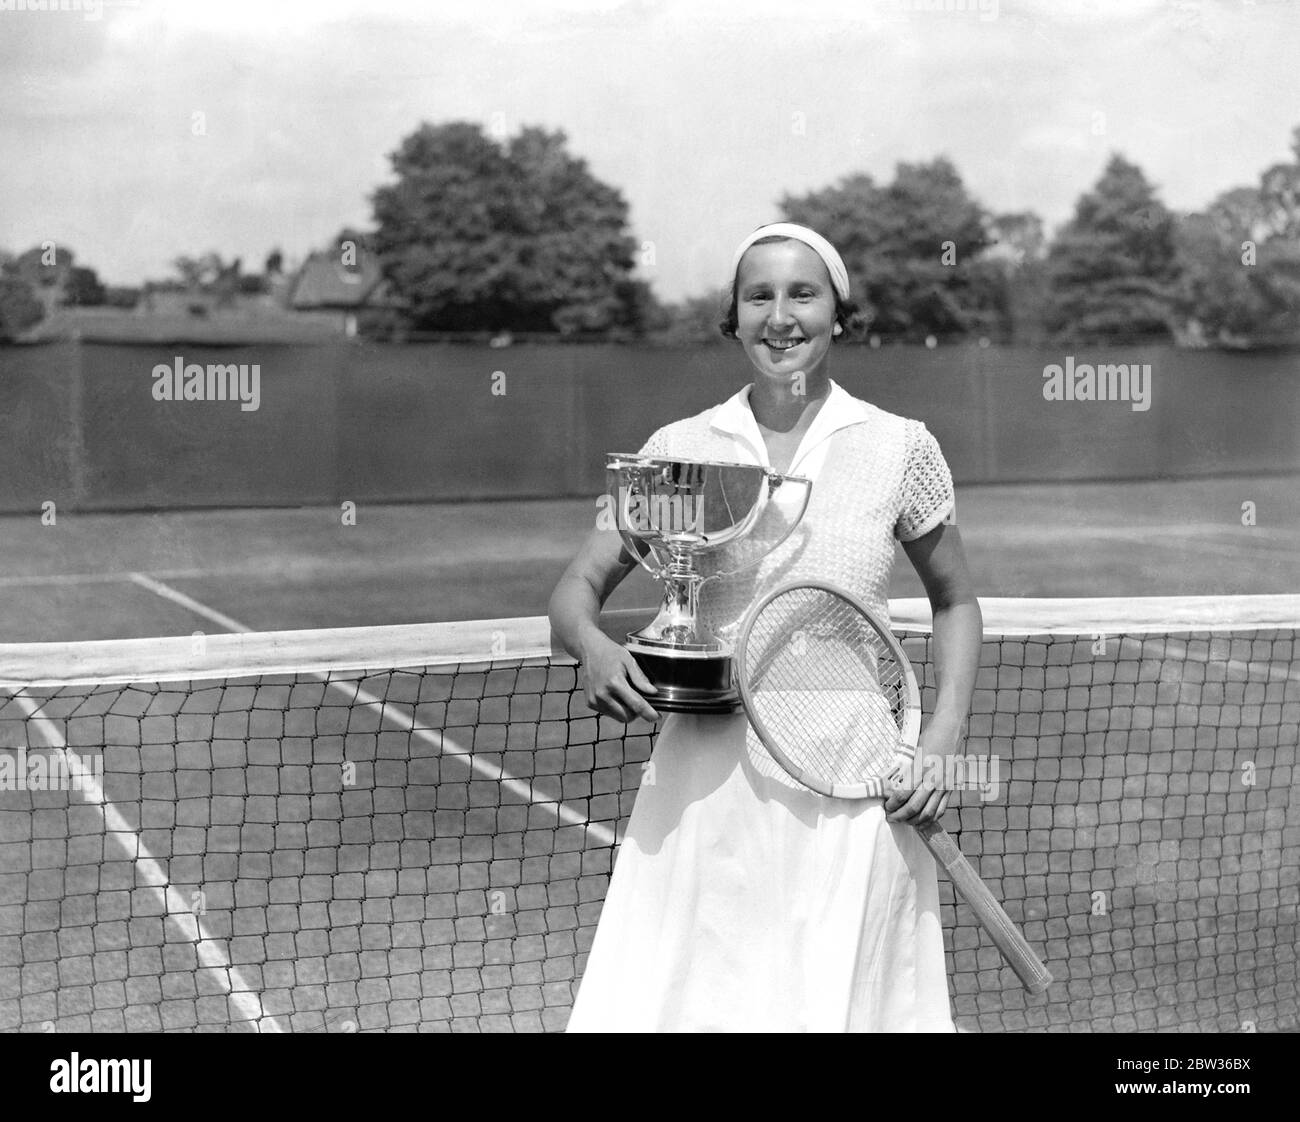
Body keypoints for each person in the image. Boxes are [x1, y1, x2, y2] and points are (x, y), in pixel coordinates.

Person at [548, 222, 983, 1032]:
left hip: (857, 788)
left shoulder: (899, 448)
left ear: (839, 315)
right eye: (759, 296)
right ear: (735, 317)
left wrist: (941, 743)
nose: (780, 316)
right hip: (703, 790)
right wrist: (594, 645)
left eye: (802, 294)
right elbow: (575, 590)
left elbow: (956, 601)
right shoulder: (679, 450)